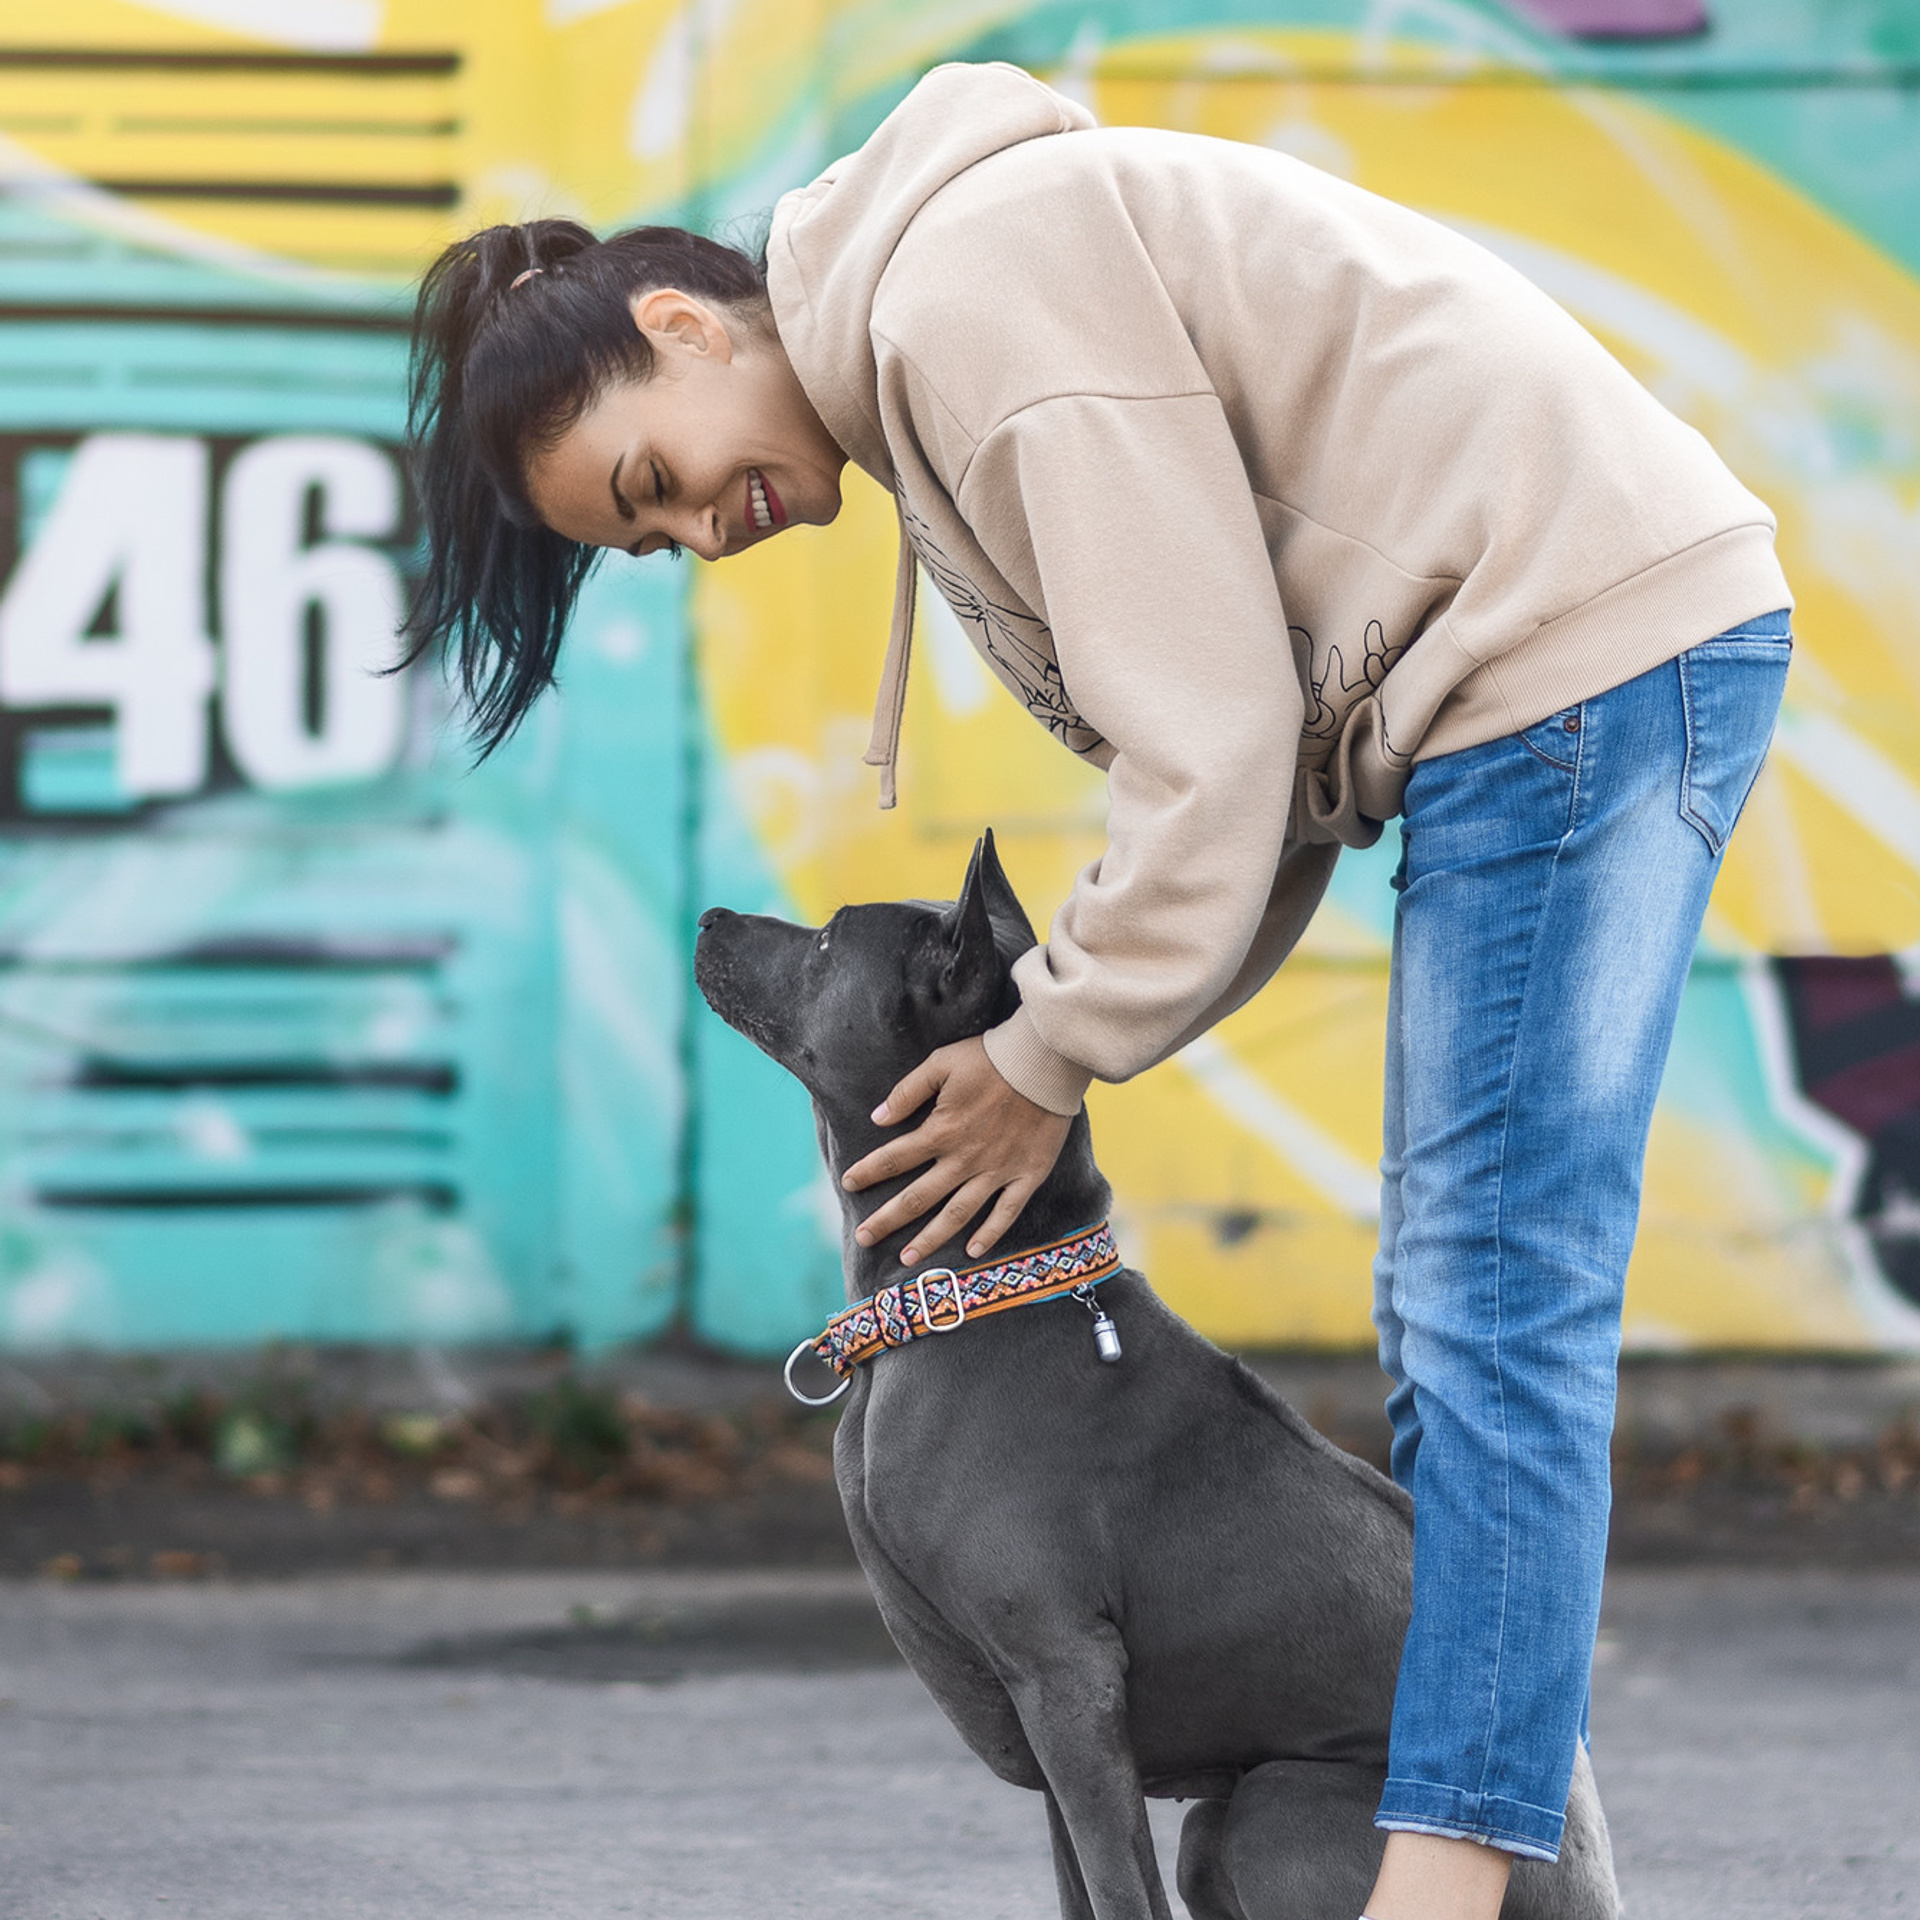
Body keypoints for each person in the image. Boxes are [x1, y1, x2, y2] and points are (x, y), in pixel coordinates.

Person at [404, 61, 1791, 1920]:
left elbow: (1213, 747)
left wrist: (1053, 1047)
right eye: (647, 542)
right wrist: (1070, 1037)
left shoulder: (974, 292)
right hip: (1539, 669)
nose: (697, 536)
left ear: (678, 322)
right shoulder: (938, 341)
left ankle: (1445, 1894)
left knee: (1490, 1298)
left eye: (651, 480)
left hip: (1573, 649)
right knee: (1469, 1292)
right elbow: (1268, 754)